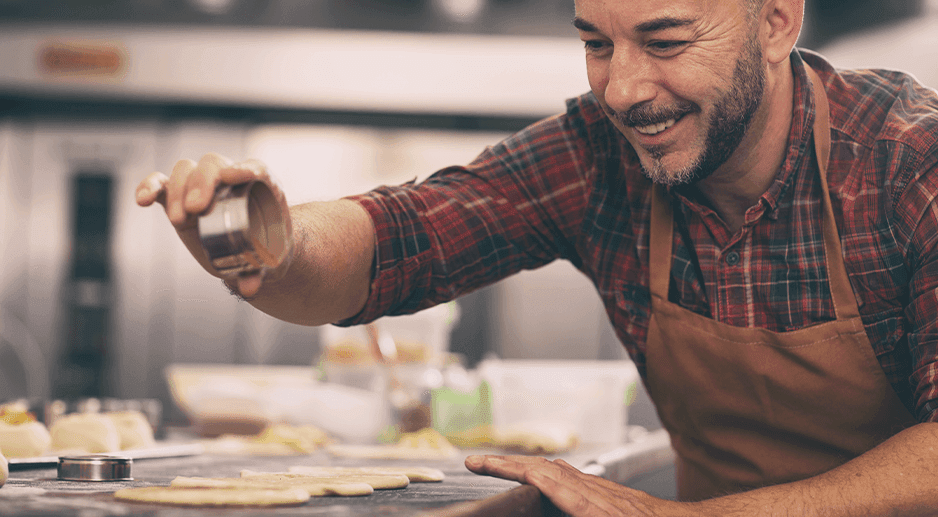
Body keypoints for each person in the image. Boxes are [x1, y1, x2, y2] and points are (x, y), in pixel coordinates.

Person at [136, 0, 938, 514]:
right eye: (596, 44)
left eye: (663, 40)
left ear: (775, 22)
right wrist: (270, 241)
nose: (622, 89)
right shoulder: (601, 157)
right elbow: (404, 237)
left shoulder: (909, 158)